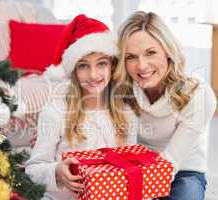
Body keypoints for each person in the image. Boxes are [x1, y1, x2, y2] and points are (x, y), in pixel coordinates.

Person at [25, 14, 138, 200]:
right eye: (83, 66)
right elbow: (32, 170)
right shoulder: (55, 112)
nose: (93, 75)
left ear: (112, 66)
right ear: (73, 71)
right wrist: (57, 172)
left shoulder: (126, 112)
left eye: (101, 64)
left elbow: (130, 168)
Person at [114, 11, 217, 200]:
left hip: (184, 169)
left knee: (187, 192)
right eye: (131, 57)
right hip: (137, 166)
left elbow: (171, 161)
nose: (142, 66)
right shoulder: (122, 90)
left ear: (168, 51)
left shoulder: (199, 95)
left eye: (151, 53)